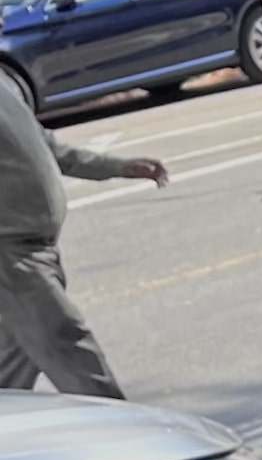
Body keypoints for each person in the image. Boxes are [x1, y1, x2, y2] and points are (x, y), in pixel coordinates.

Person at [0, 79, 167, 398]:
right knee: (70, 349)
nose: (3, 25)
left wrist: (116, 167)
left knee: (14, 360)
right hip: (12, 255)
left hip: (33, 245)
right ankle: (125, 434)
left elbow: (46, 145)